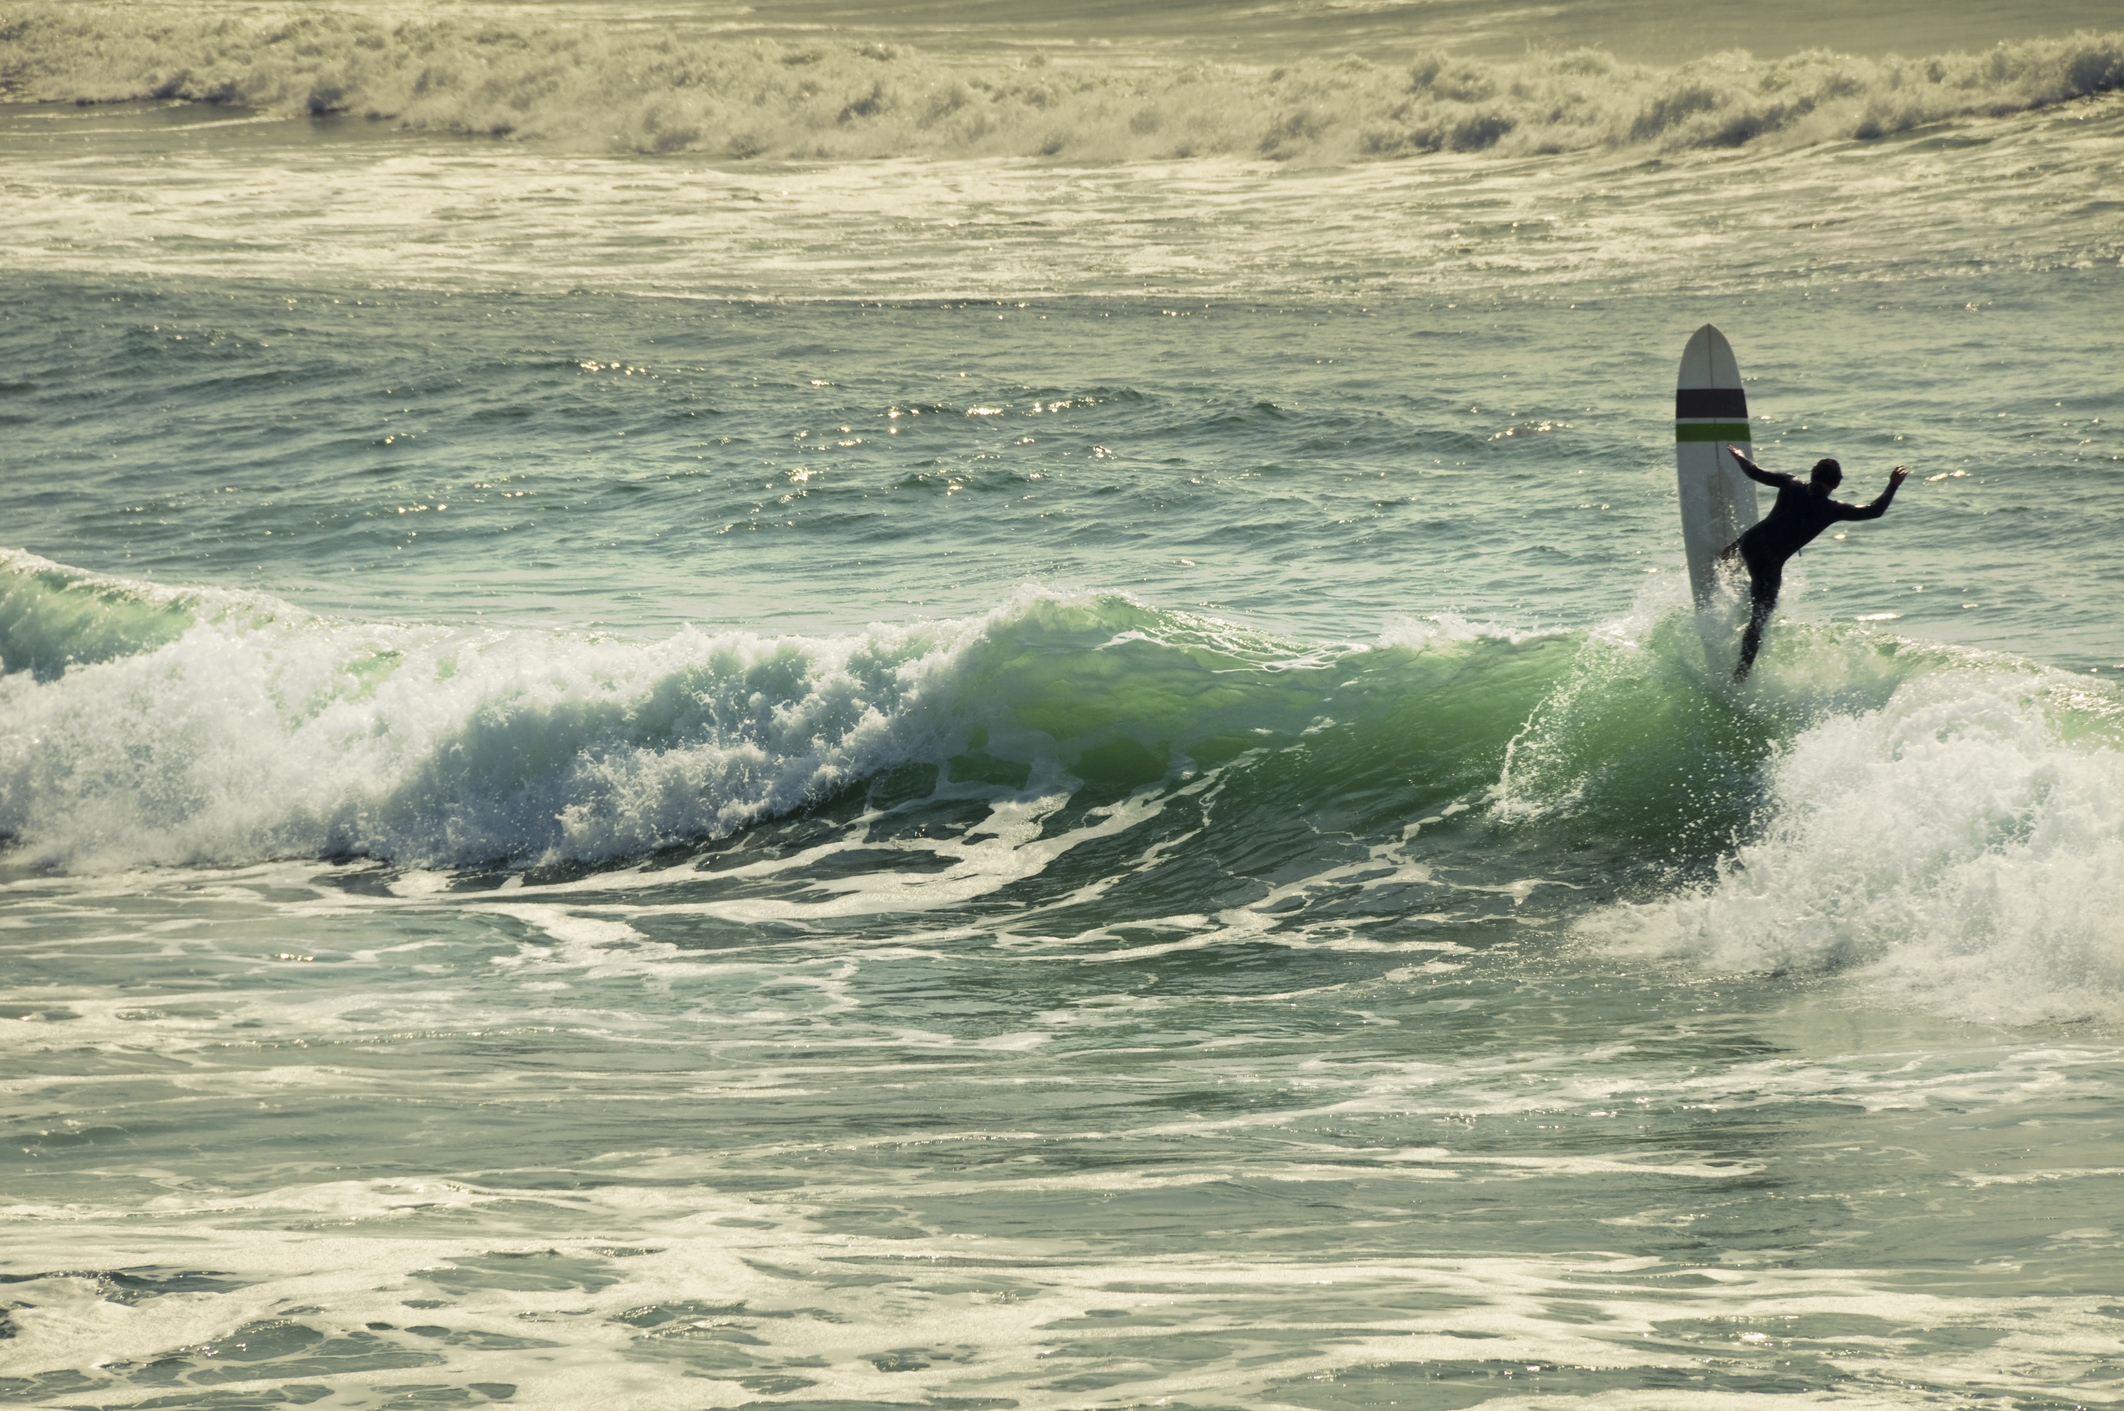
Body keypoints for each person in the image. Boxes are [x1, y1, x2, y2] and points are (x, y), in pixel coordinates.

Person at [1720, 446, 1909, 680]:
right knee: (1760, 616)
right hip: (1769, 561)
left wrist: (1739, 456)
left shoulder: (1789, 482)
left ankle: (1728, 555)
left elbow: (1754, 472)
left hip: (1749, 542)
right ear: (1837, 483)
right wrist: (1893, 485)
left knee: (1755, 539)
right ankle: (1741, 671)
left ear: (1812, 475)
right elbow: (1874, 511)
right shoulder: (1833, 509)